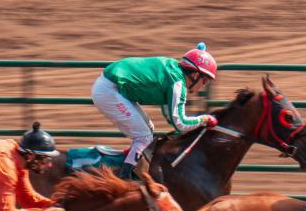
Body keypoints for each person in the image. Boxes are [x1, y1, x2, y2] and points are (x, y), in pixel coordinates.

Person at [92, 43, 219, 178]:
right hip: (110, 90)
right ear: (195, 74)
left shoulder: (174, 71)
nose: (204, 85)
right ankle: (124, 179)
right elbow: (180, 123)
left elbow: (171, 117)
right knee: (144, 137)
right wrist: (204, 119)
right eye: (205, 80)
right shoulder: (177, 84)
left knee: (148, 129)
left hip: (112, 86)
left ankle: (129, 163)